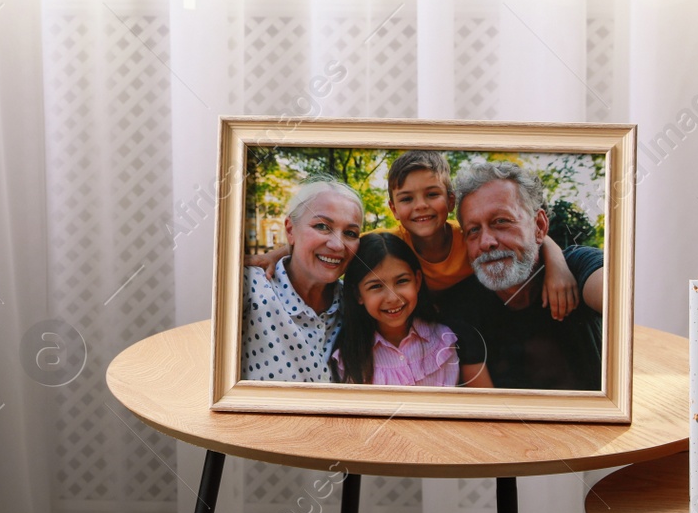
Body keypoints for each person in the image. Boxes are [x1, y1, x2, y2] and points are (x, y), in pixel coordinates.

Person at [437, 159, 605, 390]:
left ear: (539, 226)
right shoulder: (464, 306)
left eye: (501, 222)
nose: (486, 242)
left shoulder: (579, 266)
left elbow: (624, 304)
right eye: (473, 230)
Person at [383, 150, 580, 315]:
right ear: (393, 209)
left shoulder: (469, 235)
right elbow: (352, 248)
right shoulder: (387, 243)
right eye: (407, 199)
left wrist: (558, 267)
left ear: (451, 201)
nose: (421, 206)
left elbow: (533, 235)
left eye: (432, 194)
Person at [329, 232, 493, 387]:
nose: (392, 298)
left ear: (417, 281)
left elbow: (485, 408)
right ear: (358, 294)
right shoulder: (348, 358)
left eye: (401, 281)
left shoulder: (449, 338)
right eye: (376, 286)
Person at [240, 176, 364, 382]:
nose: (338, 245)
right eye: (322, 226)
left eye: (350, 233)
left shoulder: (356, 303)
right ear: (290, 230)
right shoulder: (250, 287)